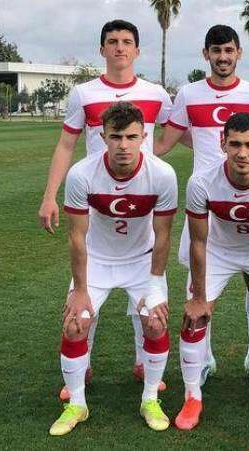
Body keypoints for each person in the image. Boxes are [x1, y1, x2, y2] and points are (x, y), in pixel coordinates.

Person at [38, 19, 172, 402]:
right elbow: (66, 145)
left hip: (139, 198)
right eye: (112, 41)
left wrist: (152, 161)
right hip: (95, 198)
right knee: (87, 281)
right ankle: (81, 365)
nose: (119, 47)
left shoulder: (155, 93)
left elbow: (176, 131)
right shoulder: (84, 93)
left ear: (137, 50)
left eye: (127, 41)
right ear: (102, 49)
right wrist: (50, 195)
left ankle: (144, 362)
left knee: (145, 285)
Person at [154, 24, 249, 388]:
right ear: (206, 54)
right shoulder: (189, 93)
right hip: (206, 203)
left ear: (239, 53)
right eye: (216, 50)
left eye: (229, 50)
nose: (223, 57)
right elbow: (165, 142)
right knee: (198, 285)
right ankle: (205, 357)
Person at [49, 102, 177, 435]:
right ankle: (77, 405)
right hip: (97, 261)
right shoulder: (82, 174)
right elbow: (77, 237)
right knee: (75, 324)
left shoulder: (162, 174)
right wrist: (80, 290)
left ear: (144, 137)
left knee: (155, 322)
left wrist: (154, 286)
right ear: (102, 137)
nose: (123, 145)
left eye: (131, 137)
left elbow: (163, 235)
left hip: (142, 261)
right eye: (116, 137)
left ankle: (150, 399)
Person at [174, 113, 249, 429]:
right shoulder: (202, 182)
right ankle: (192, 397)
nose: (242, 153)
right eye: (235, 144)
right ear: (223, 145)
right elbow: (198, 242)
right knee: (194, 318)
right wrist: (199, 298)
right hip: (219, 250)